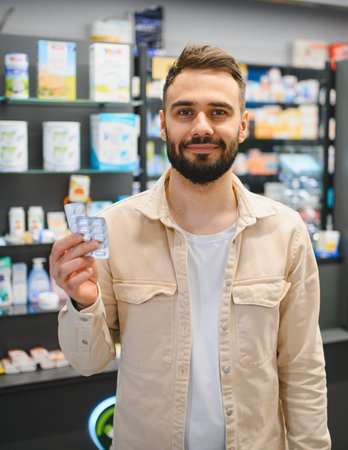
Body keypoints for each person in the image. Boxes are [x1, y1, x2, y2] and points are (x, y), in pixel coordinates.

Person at [51, 43, 331, 450]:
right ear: (163, 125)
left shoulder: (285, 230)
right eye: (185, 112)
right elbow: (87, 361)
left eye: (219, 111)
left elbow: (303, 369)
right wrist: (81, 302)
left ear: (243, 125)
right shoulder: (116, 226)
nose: (202, 127)